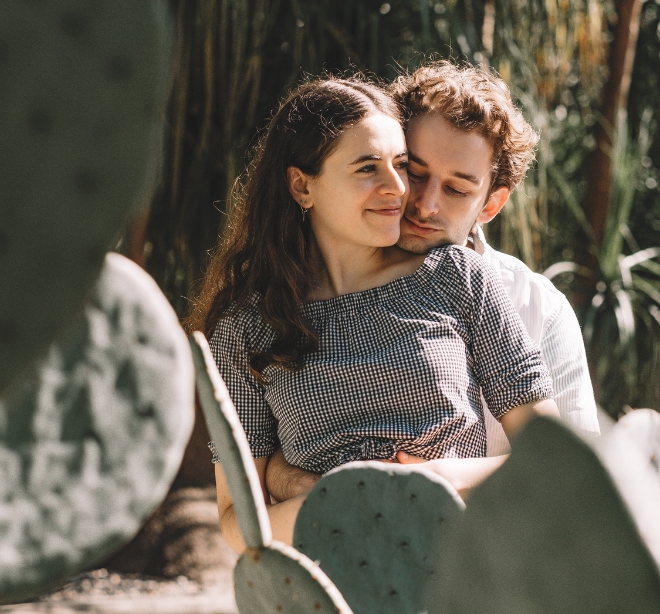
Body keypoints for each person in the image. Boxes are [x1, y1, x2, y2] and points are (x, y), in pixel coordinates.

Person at [188, 75, 557, 553]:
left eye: (400, 165)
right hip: (331, 585)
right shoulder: (246, 327)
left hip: (457, 573)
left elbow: (549, 454)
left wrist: (437, 480)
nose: (399, 189)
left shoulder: (457, 275)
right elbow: (237, 518)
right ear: (302, 186)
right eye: (368, 168)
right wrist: (340, 503)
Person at [264, 62, 599, 508]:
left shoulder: (539, 308)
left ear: (491, 205)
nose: (423, 204)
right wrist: (291, 478)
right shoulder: (286, 303)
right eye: (414, 173)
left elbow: (573, 474)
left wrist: (439, 479)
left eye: (457, 190)